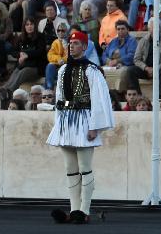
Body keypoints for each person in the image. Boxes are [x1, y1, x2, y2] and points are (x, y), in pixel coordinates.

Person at [47, 30, 114, 225]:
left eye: (76, 43)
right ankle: (74, 208)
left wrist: (95, 127)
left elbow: (99, 100)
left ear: (85, 47)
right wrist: (58, 124)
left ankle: (84, 210)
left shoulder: (92, 70)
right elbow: (60, 99)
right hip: (67, 121)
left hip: (84, 120)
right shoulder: (62, 70)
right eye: (71, 43)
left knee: (85, 167)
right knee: (70, 168)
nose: (72, 46)